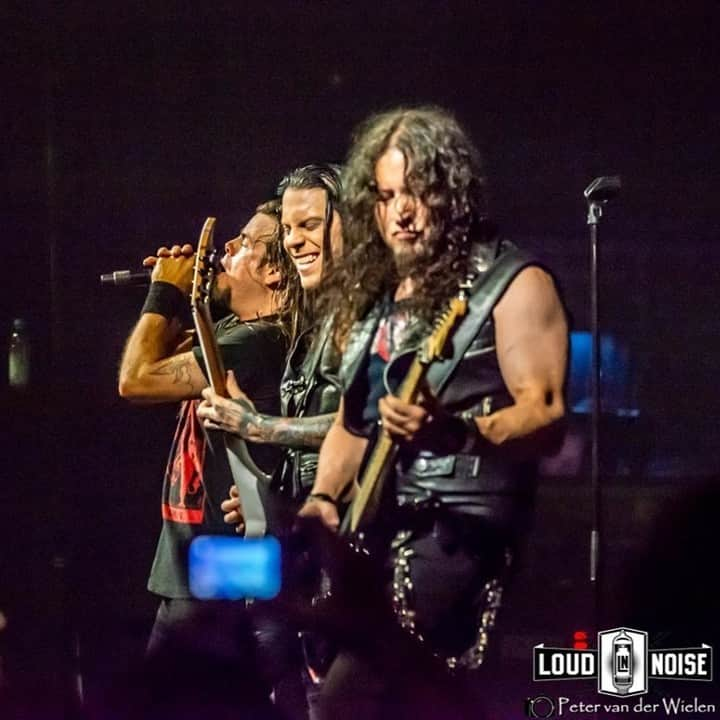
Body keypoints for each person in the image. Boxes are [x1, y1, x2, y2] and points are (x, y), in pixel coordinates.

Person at [299, 106, 569, 719]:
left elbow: (546, 415)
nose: (402, 211)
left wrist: (456, 431)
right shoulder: (377, 301)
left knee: (345, 703)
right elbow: (351, 422)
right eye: (388, 195)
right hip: (379, 531)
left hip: (461, 532)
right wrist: (323, 498)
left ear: (453, 194)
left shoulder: (512, 283)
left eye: (418, 192)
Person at [117, 200, 289, 658]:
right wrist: (178, 291)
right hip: (199, 566)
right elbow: (160, 354)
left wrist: (163, 296)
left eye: (246, 243)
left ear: (273, 272)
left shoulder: (256, 341)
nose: (227, 246)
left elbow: (137, 380)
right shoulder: (233, 330)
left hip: (215, 568)